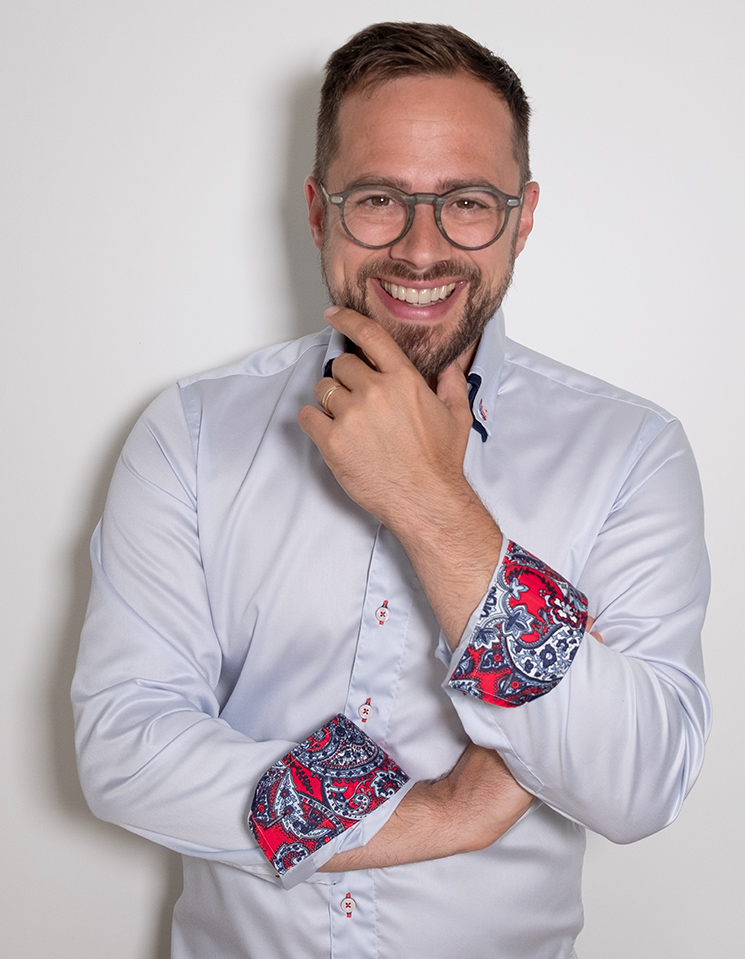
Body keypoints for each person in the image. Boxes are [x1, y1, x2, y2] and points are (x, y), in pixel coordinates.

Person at [71, 21, 711, 959]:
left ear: (522, 216)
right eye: (378, 199)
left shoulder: (628, 452)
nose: (420, 248)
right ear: (317, 211)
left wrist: (429, 502)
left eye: (468, 202)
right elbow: (126, 748)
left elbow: (640, 782)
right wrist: (441, 813)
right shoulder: (192, 434)